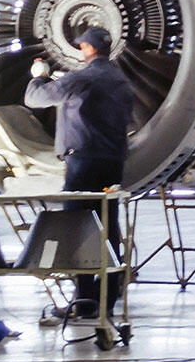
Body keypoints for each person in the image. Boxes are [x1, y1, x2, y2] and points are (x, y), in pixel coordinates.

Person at [25, 28, 134, 320]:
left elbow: (36, 99)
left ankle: (84, 300)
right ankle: (107, 300)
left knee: (78, 228)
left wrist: (39, 74)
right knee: (108, 228)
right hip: (113, 163)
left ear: (87, 48)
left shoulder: (82, 78)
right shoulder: (121, 80)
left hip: (83, 163)